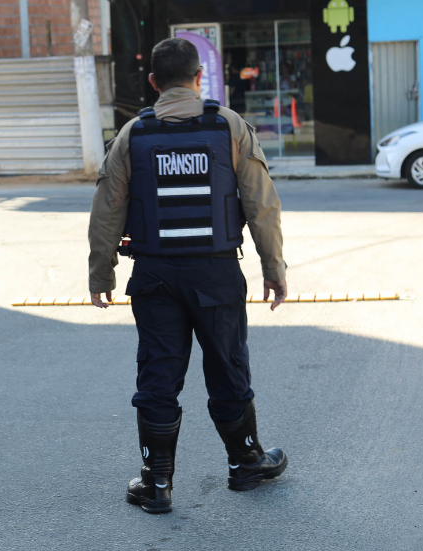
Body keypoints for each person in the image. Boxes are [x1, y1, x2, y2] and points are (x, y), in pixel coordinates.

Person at [87, 38, 289, 515]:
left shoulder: (133, 134)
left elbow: (106, 211)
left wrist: (101, 272)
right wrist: (273, 268)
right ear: (200, 78)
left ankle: (156, 483)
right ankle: (246, 463)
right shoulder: (230, 126)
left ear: (153, 82)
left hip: (154, 276)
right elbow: (262, 205)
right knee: (227, 366)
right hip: (216, 274)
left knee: (159, 373)